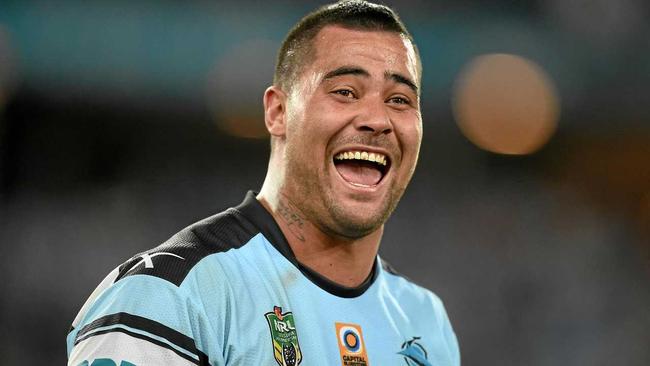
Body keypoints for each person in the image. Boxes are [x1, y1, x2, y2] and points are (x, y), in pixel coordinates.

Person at [66, 1, 460, 365]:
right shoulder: (167, 298)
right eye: (345, 92)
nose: (377, 119)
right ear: (278, 111)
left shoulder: (425, 322)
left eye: (400, 100)